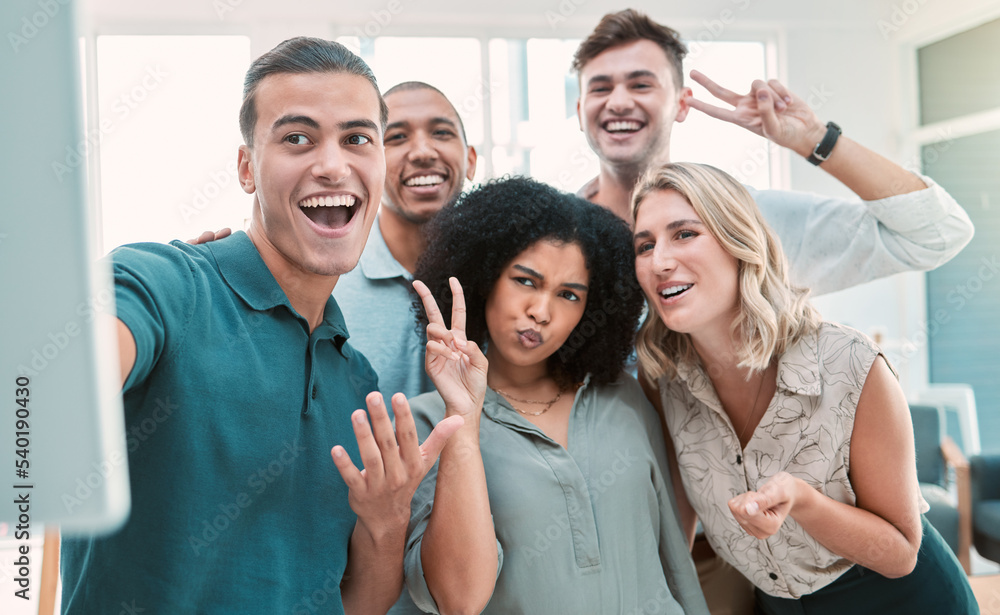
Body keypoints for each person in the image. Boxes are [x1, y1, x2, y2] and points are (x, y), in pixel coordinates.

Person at [60, 37, 461, 614]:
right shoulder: (167, 284)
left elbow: (359, 605)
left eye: (357, 139)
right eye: (297, 138)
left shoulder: (357, 379)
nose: (332, 164)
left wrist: (388, 515)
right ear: (247, 168)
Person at [631, 162, 978, 614]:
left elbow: (900, 553)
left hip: (902, 601)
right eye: (644, 245)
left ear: (740, 242)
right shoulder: (662, 376)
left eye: (684, 234)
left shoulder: (850, 363)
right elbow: (679, 518)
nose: (659, 261)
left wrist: (804, 502)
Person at [392, 176, 710, 614]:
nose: (541, 312)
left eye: (568, 294)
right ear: (485, 278)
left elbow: (674, 561)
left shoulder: (624, 398)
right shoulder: (428, 424)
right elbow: (458, 599)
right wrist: (463, 421)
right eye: (525, 281)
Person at [574, 9, 973, 296]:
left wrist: (814, 139)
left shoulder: (753, 221)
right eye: (600, 87)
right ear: (580, 111)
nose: (619, 102)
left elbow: (937, 234)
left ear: (682, 104)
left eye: (641, 85)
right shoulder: (550, 232)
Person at [335, 81, 478, 400]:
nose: (423, 152)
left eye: (441, 132)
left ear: (470, 160)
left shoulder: (508, 274)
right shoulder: (328, 281)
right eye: (397, 137)